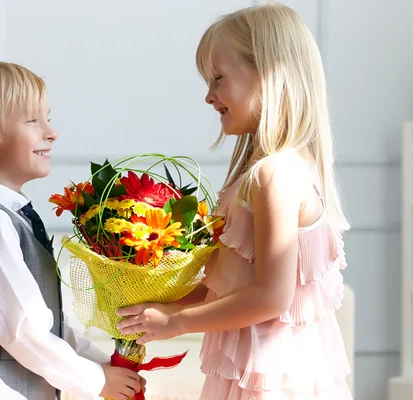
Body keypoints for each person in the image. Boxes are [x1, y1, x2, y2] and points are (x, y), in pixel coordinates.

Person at [116, 4, 352, 399]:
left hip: (273, 378)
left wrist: (176, 322)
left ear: (269, 74)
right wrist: (156, 307)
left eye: (218, 79)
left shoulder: (273, 174)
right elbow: (228, 286)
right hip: (256, 371)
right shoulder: (267, 172)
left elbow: (271, 297)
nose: (209, 96)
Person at [0, 61, 143, 400]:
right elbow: (24, 330)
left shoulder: (14, 219)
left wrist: (103, 365)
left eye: (48, 118)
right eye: (33, 120)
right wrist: (97, 380)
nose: (51, 132)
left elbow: (49, 321)